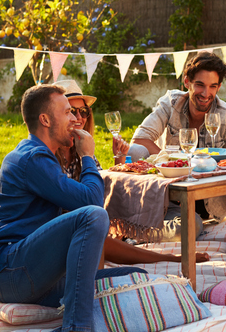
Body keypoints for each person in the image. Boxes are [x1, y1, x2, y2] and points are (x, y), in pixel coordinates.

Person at [0, 84, 136, 332]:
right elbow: (90, 202)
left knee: (132, 278)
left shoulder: (46, 157)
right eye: (67, 112)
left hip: (37, 272)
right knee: (93, 216)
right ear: (45, 120)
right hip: (12, 273)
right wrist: (88, 155)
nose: (75, 119)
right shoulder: (32, 158)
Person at [55, 79, 210, 264]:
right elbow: (88, 202)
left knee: (191, 221)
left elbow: (105, 189)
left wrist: (119, 160)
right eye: (72, 111)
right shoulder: (50, 158)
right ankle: (157, 251)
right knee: (187, 226)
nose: (79, 117)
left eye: (84, 111)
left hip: (104, 221)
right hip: (82, 229)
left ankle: (133, 237)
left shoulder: (83, 150)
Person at [129, 51, 226, 240]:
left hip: (208, 203)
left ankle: (139, 231)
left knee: (192, 226)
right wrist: (175, 165)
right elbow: (139, 140)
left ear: (219, 87)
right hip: (171, 196)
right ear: (187, 82)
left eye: (212, 87)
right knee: (134, 152)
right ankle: (142, 222)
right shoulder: (171, 104)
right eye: (199, 85)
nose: (206, 94)